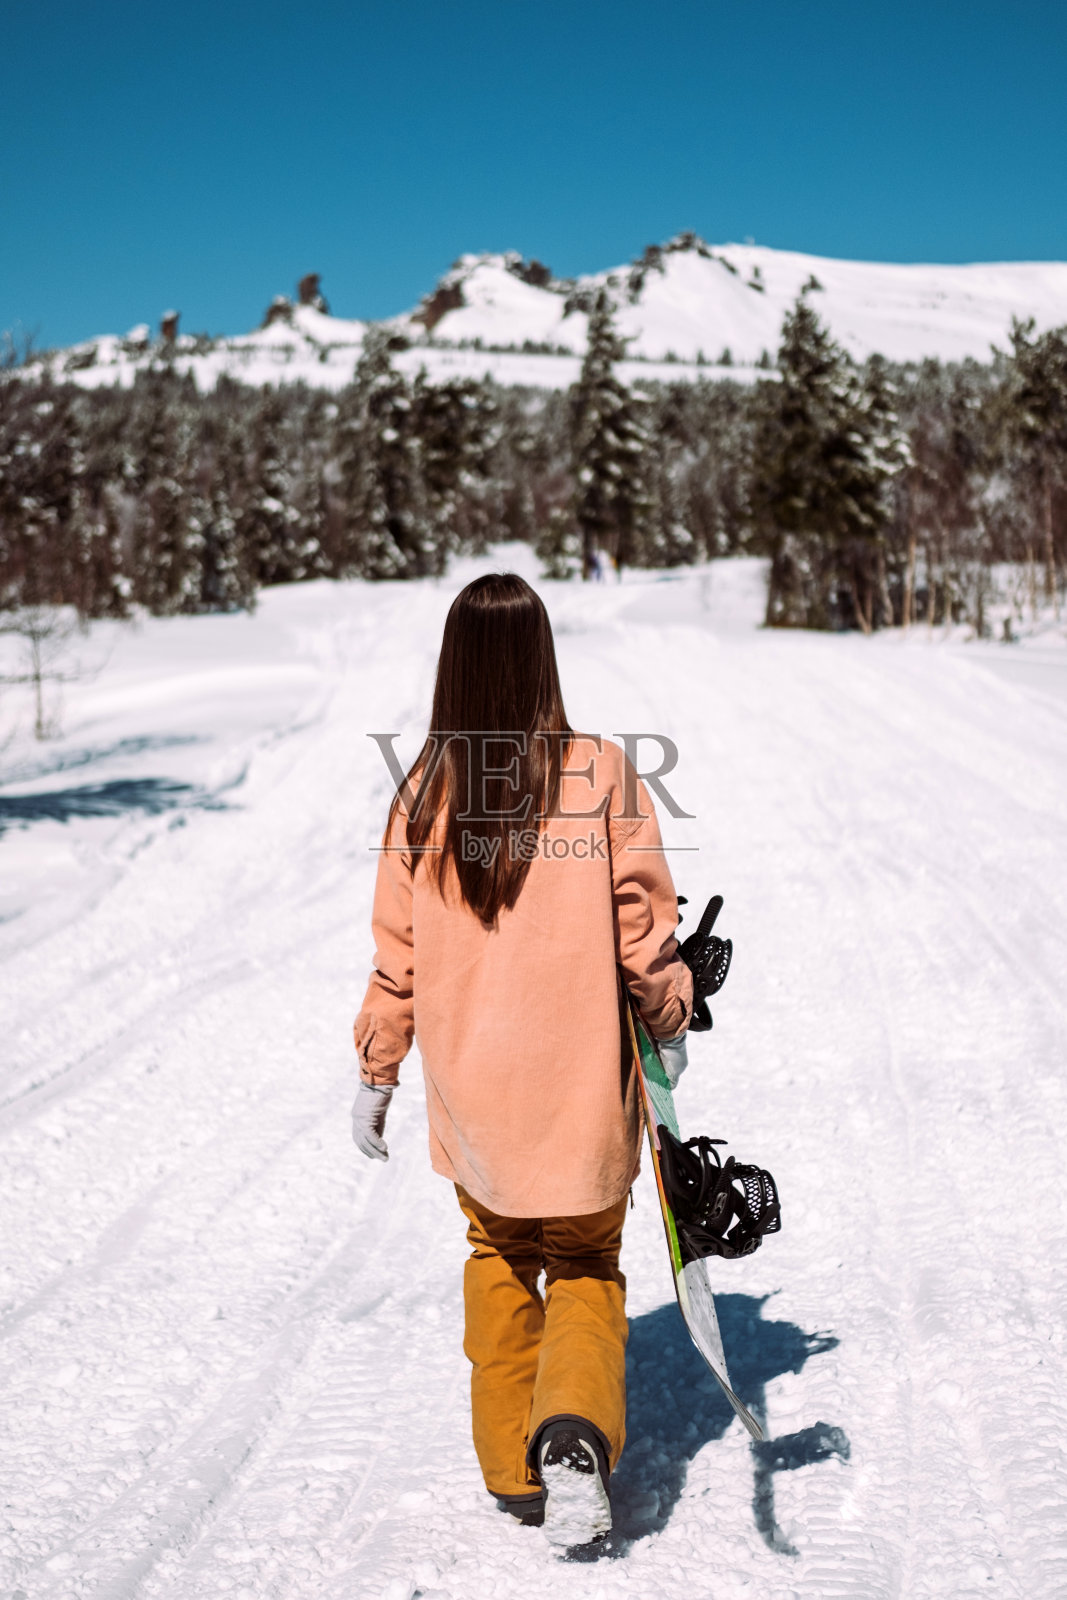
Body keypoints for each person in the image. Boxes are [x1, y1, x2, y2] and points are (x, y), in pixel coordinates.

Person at [352, 572, 692, 1549]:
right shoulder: (604, 773)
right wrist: (671, 1008)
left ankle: (513, 1468)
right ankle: (572, 1437)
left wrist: (377, 1071)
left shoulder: (422, 791)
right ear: (544, 659)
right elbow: (641, 933)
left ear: (451, 669)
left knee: (498, 1253)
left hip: (475, 1100)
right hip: (582, 1092)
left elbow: (397, 956)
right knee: (584, 1259)